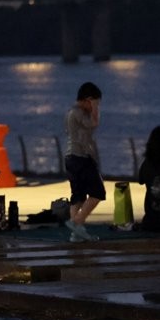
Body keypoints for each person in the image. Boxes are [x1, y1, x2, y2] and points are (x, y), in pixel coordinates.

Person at [63, 82, 105, 243]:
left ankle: (76, 234)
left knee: (78, 196)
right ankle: (76, 222)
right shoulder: (78, 112)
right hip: (80, 157)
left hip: (71, 157)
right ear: (88, 100)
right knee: (97, 193)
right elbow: (94, 124)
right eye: (95, 102)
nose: (96, 106)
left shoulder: (71, 113)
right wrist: (95, 108)